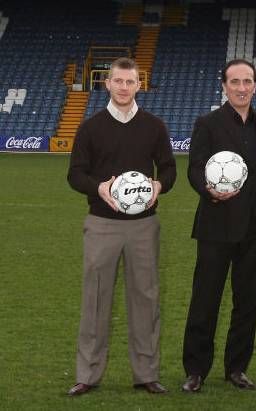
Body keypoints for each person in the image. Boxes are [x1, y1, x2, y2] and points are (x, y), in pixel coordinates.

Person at [66, 57, 176, 396]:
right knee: (96, 298)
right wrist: (98, 186)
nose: (124, 87)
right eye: (118, 81)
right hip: (102, 224)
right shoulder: (90, 127)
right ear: (107, 84)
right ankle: (87, 374)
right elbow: (75, 174)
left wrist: (159, 186)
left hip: (143, 225)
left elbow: (169, 169)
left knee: (145, 298)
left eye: (130, 82)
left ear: (138, 85)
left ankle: (146, 373)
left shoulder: (154, 126)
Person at [181, 59, 256, 393]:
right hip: (216, 224)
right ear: (223, 86)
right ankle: (195, 370)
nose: (241, 88)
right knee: (205, 300)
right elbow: (195, 167)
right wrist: (207, 189)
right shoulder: (208, 123)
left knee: (248, 302)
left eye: (247, 81)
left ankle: (237, 367)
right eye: (235, 82)